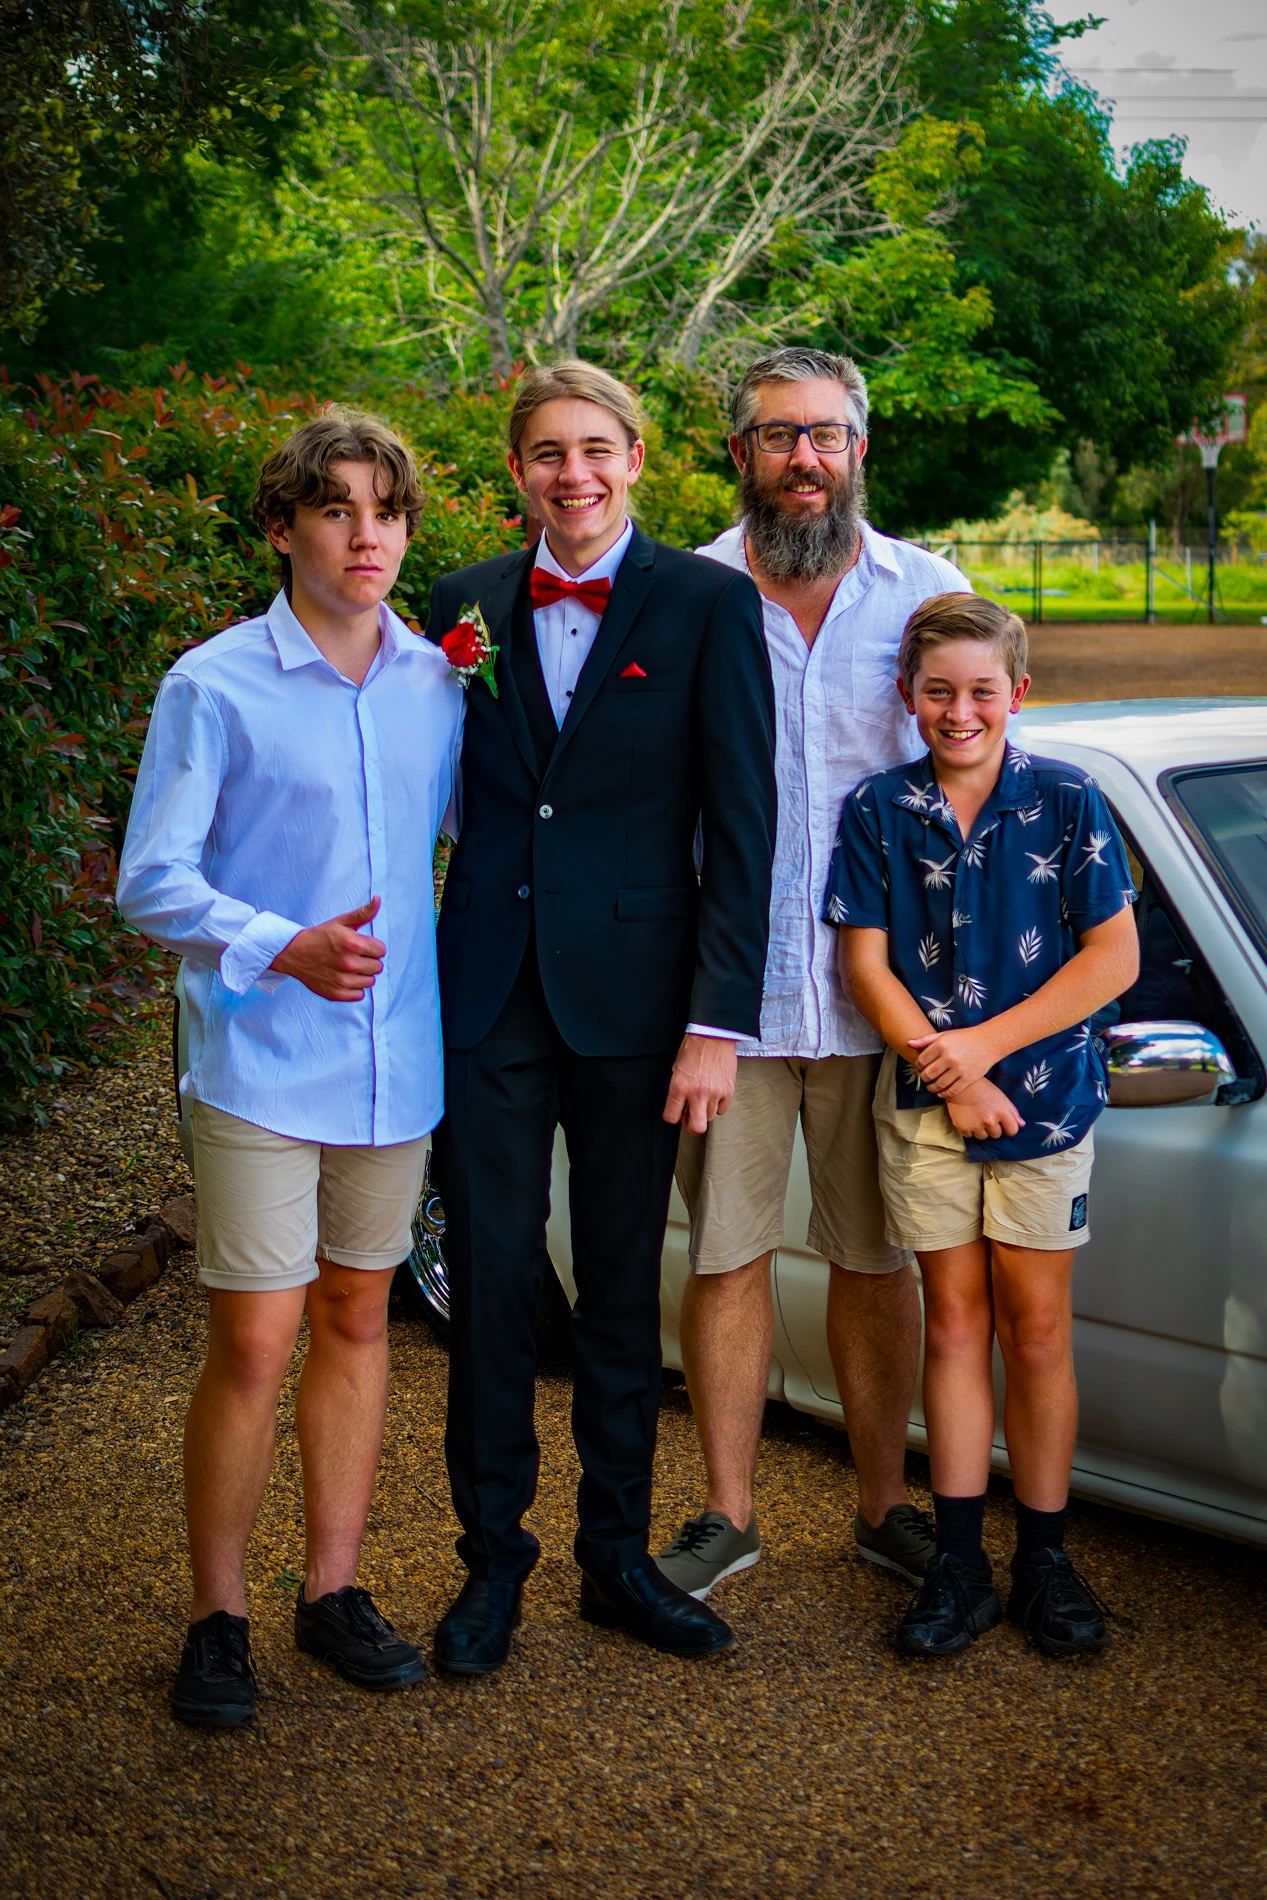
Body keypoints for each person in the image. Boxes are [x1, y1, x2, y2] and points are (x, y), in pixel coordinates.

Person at [425, 360, 777, 1674]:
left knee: (624, 1287)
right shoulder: (456, 604)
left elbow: (744, 826)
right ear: (515, 472)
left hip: (640, 1004)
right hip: (487, 992)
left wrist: (713, 1021)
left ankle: (615, 1561)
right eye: (542, 454)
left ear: (635, 459)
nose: (569, 475)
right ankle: (489, 1569)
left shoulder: (704, 602)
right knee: (496, 1285)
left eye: (592, 450)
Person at [117, 409, 463, 1727]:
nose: (364, 536)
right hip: (262, 1056)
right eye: (335, 511)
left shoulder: (440, 684)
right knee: (254, 1337)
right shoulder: (214, 684)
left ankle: (332, 1592)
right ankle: (217, 1620)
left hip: (397, 1064)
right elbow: (152, 879)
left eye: (385, 513)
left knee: (360, 1319)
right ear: (282, 528)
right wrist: (283, 946)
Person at [656, 346, 969, 1604]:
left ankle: (883, 1506)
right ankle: (726, 1514)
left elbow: (978, 777)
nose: (803, 459)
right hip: (723, 999)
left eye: (825, 436)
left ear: (858, 449)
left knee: (873, 1259)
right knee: (725, 1255)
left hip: (877, 999)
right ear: (739, 453)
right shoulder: (678, 591)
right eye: (778, 436)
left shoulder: (928, 592)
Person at [827, 592, 1139, 1657]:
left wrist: (987, 1050)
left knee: (1035, 1330)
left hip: (1048, 1105)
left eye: (980, 690)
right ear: (907, 696)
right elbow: (862, 963)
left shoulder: (1067, 801)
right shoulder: (877, 809)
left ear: (1018, 693)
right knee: (953, 1324)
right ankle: (957, 1560)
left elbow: (1112, 958)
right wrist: (948, 1071)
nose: (959, 710)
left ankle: (1043, 1556)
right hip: (925, 1109)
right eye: (937, 691)